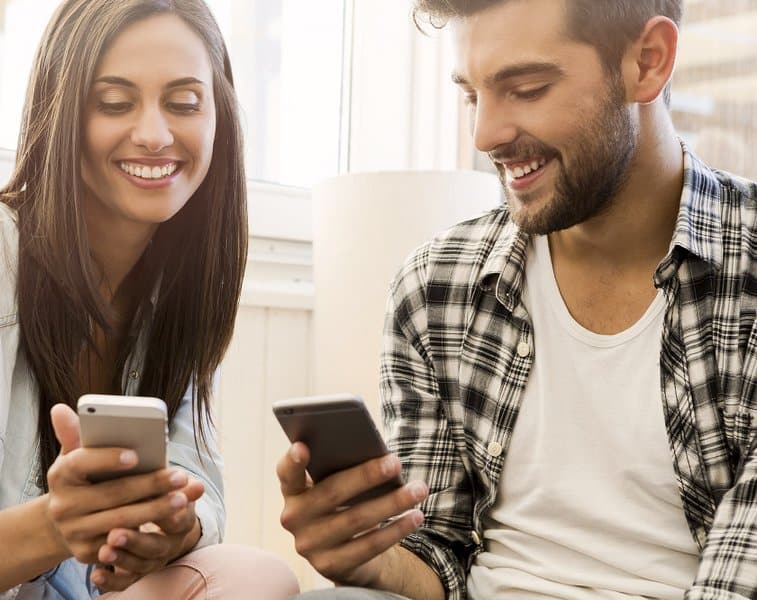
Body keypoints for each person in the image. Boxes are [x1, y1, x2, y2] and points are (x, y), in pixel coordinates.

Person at [277, 1, 757, 598]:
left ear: (648, 62)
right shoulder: (435, 288)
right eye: (472, 96)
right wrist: (369, 560)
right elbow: (438, 553)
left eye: (525, 89)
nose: (486, 136)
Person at [0, 1, 299, 598]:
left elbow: (200, 487)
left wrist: (172, 528)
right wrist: (53, 525)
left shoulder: (181, 284)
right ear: (62, 112)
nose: (153, 134)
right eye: (114, 103)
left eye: (184, 103)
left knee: (259, 574)